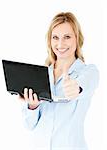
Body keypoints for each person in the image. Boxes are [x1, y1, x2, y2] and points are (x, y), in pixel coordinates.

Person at [19, 12, 99, 150]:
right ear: (50, 41)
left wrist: (76, 88)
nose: (60, 44)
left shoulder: (88, 72)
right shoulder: (40, 75)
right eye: (55, 37)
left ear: (77, 39)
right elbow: (29, 125)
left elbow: (85, 84)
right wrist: (32, 106)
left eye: (67, 37)